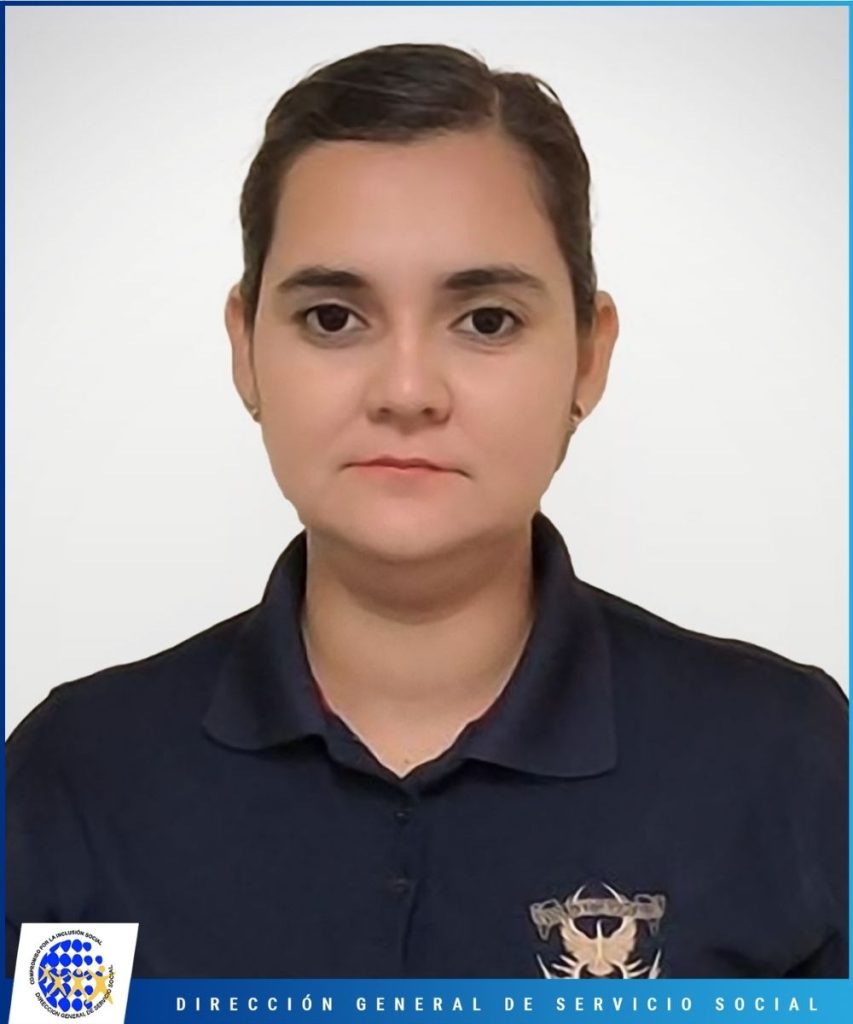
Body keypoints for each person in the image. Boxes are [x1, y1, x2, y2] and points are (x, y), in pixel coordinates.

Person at [6, 42, 847, 980]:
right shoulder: (75, 773)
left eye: (486, 320)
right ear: (245, 349)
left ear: (586, 356)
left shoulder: (785, 757)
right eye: (332, 318)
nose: (406, 391)